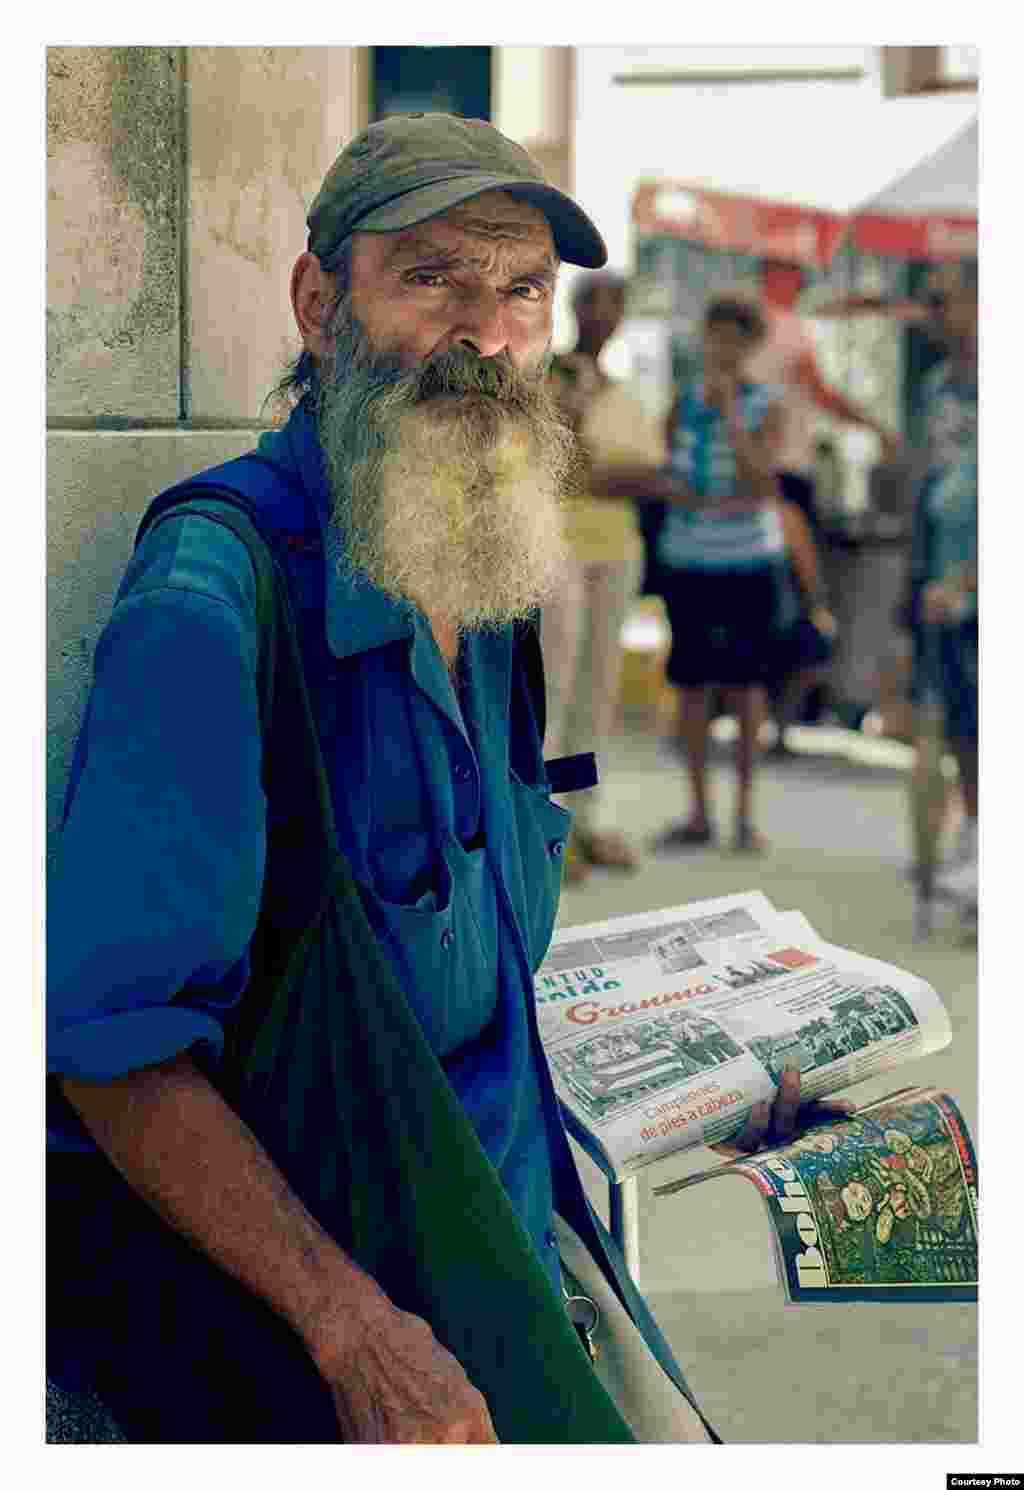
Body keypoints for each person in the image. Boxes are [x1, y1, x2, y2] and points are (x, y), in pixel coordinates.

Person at [47, 112, 833, 1446]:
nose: (486, 336)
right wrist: (350, 1325)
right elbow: (113, 1054)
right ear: (318, 304)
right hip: (345, 1314)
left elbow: (477, 984)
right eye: (433, 278)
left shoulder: (488, 570)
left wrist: (730, 1085)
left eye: (522, 288)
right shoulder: (213, 604)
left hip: (519, 1240)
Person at [651, 296, 797, 854]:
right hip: (689, 560)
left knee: (746, 687)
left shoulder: (767, 405)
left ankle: (744, 814)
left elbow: (763, 483)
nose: (723, 348)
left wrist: (733, 415)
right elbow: (668, 475)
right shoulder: (679, 405)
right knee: (691, 684)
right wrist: (680, 490)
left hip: (749, 562)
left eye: (736, 339)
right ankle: (697, 812)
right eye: (716, 336)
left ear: (751, 346)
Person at [543, 272, 666, 883]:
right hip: (555, 548)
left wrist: (596, 472)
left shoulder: (626, 393)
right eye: (594, 302)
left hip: (616, 549)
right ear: (576, 308)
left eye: (615, 305)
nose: (604, 316)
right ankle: (550, 827)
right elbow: (555, 465)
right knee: (555, 691)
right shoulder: (550, 378)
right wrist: (599, 466)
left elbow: (651, 477)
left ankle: (586, 823)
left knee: (598, 693)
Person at [746, 260, 902, 736]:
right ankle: (778, 716)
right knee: (797, 598)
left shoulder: (759, 326)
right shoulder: (783, 328)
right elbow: (821, 391)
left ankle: (770, 715)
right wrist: (874, 425)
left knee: (771, 598)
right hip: (780, 479)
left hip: (761, 478)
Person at [904, 261, 978, 912]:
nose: (932, 314)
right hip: (943, 573)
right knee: (962, 723)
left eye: (942, 300)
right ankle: (977, 839)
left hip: (974, 574)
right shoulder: (936, 388)